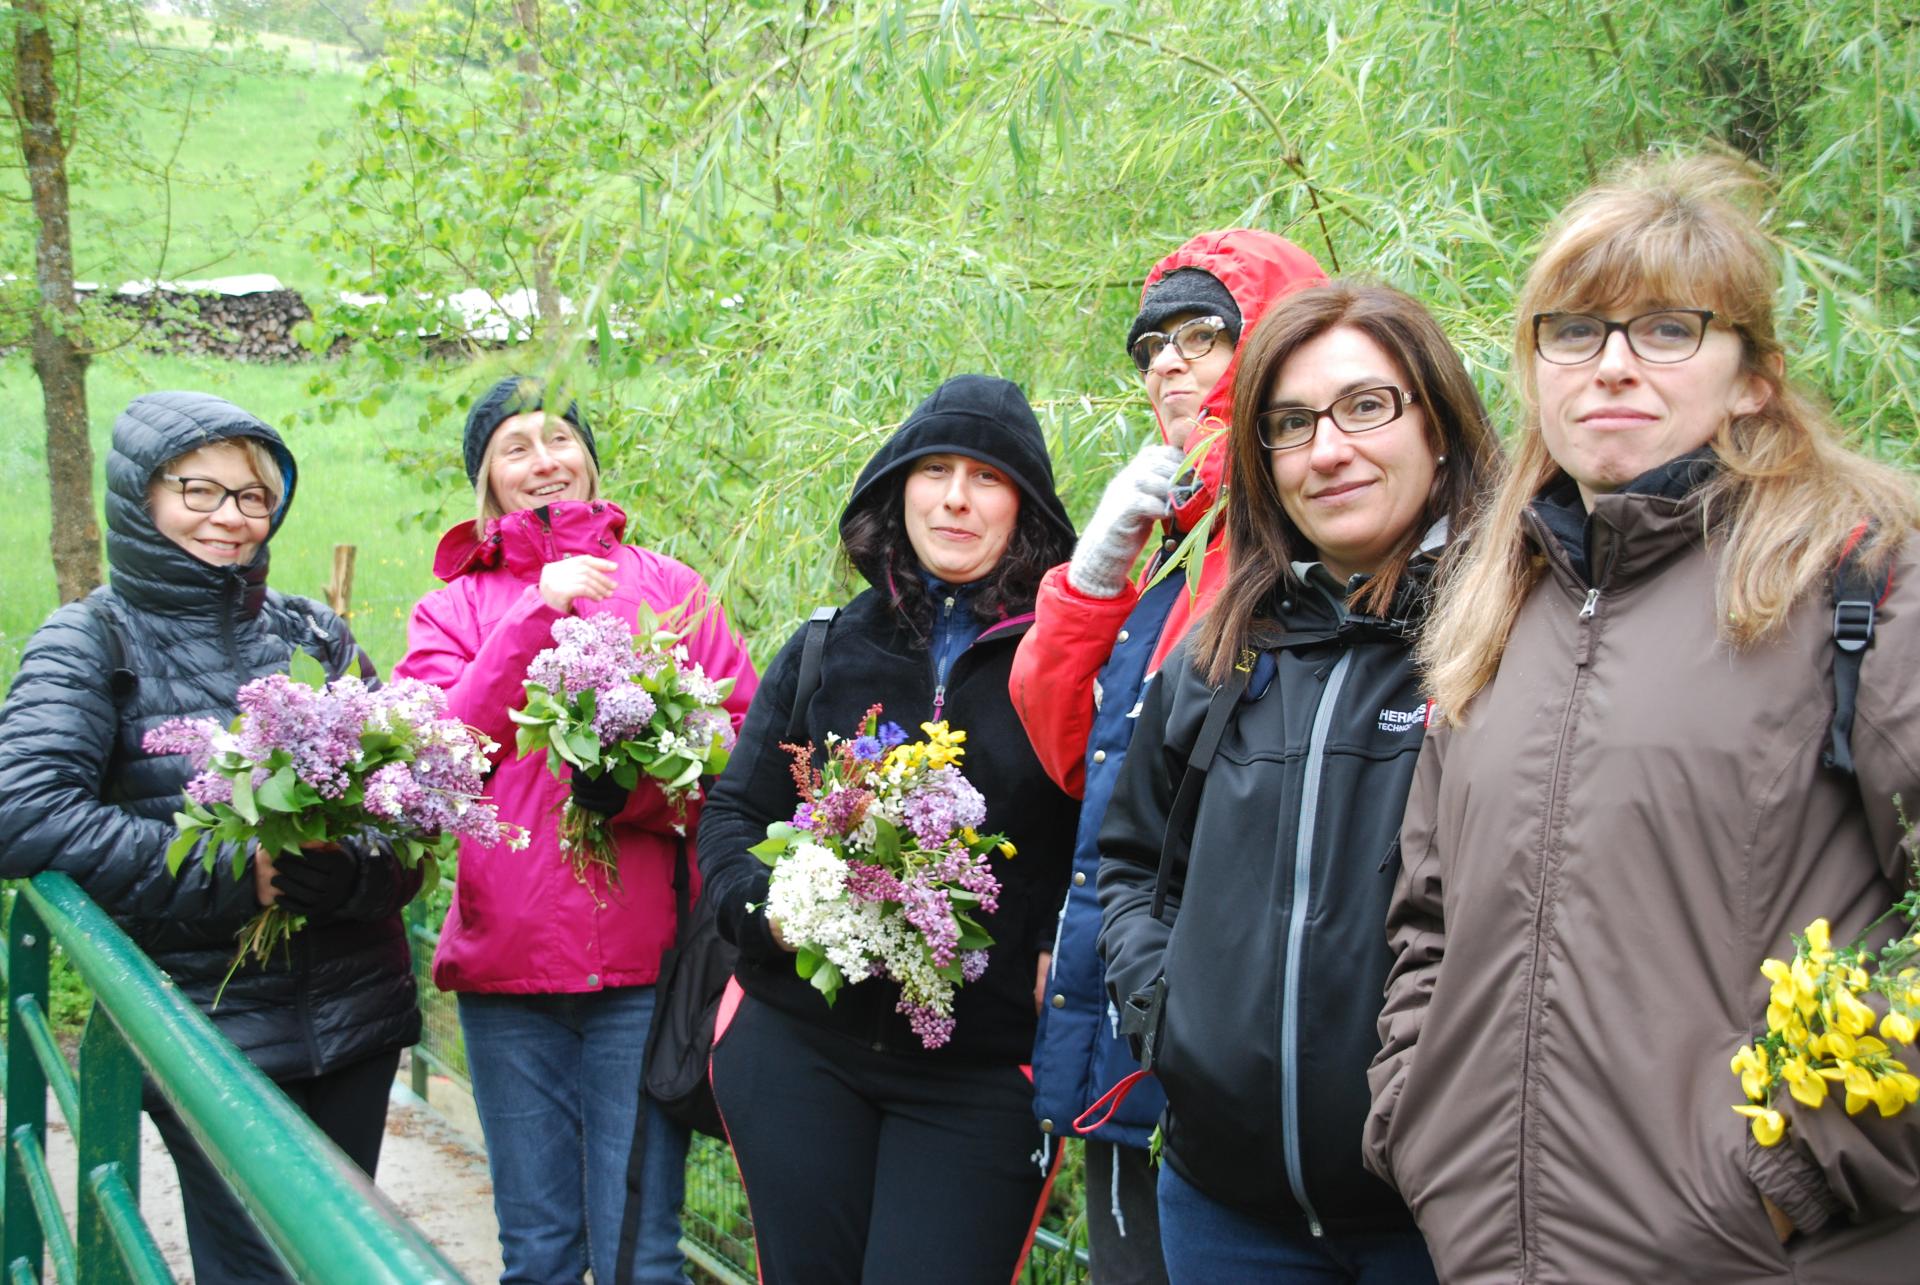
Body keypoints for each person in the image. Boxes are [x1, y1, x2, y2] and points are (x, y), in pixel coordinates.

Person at [1365, 155, 1920, 1281]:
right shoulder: (1493, 606)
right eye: (1573, 331)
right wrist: (1415, 1117)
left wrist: (1790, 1173)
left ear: (1753, 375)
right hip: (1491, 1247)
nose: (1612, 365)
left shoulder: (1860, 580)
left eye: (1668, 328)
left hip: (1767, 1254)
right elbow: (1430, 913)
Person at [1097, 282, 1500, 1282]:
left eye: (1367, 406)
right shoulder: (1225, 649)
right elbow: (1133, 859)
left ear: (1440, 428)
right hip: (1228, 1206)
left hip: (1443, 1211)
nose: (1328, 449)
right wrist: (1165, 1010)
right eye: (1289, 424)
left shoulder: (1511, 638)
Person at [0, 392, 420, 1285]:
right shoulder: (90, 637)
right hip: (209, 1024)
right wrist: (242, 872)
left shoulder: (312, 633)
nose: (231, 518)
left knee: (339, 1257)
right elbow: (23, 810)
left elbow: (406, 819)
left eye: (254, 496)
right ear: (139, 496)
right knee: (257, 1267)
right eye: (200, 490)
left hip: (357, 1014)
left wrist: (351, 873)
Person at [698, 374, 1080, 1284]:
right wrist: (771, 912)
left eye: (986, 477)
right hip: (799, 1048)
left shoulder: (1070, 664)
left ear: (1023, 506)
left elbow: (1113, 840)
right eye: (935, 469)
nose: (955, 497)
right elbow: (731, 815)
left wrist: (1063, 945)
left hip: (980, 1073)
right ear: (896, 486)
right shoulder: (827, 646)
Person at [1009, 229, 1325, 1281]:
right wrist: (1094, 574)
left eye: (1202, 336)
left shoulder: (1318, 545)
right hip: (1131, 1014)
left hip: (1256, 1041)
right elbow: (1069, 753)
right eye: (1150, 348)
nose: (1168, 367)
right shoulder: (1170, 553)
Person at [393, 375, 757, 1285]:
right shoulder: (453, 609)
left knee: (642, 1253)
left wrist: (629, 796)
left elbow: (738, 768)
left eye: (558, 439)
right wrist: (532, 610)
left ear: (588, 456)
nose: (542, 462)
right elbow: (442, 758)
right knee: (540, 1252)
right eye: (514, 447)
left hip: (645, 967)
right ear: (487, 478)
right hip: (507, 973)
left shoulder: (670, 589)